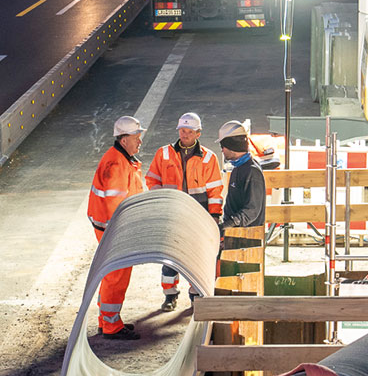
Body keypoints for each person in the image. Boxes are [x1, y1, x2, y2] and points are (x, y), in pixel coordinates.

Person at [146, 113, 225, 311]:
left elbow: (215, 190)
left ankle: (195, 294)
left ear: (198, 133)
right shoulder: (163, 154)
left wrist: (214, 215)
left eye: (190, 132)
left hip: (198, 215)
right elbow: (152, 180)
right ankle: (170, 295)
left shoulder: (208, 158)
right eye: (182, 130)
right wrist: (161, 199)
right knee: (170, 256)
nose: (185, 135)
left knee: (194, 256)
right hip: (171, 213)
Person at [88, 115, 149, 340]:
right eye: (136, 138)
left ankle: (106, 320)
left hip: (109, 227)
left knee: (111, 275)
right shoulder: (117, 164)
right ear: (123, 140)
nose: (140, 142)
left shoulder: (121, 159)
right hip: (114, 229)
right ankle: (112, 326)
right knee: (117, 275)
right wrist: (127, 228)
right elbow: (115, 204)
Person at [216, 120, 267, 230]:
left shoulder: (252, 172)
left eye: (223, 146)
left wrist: (231, 223)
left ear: (231, 146)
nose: (222, 150)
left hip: (247, 236)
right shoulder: (239, 167)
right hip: (238, 233)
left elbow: (252, 210)